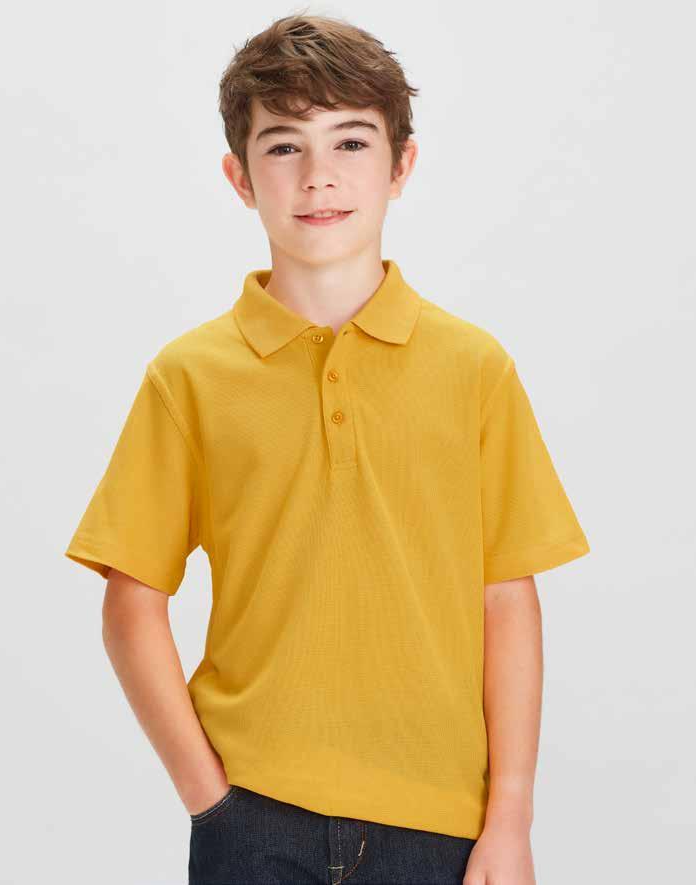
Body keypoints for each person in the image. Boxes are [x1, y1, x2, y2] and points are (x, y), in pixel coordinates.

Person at [64, 13, 590, 885]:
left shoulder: (474, 368)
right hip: (252, 817)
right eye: (283, 146)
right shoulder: (189, 376)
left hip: (441, 827)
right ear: (239, 177)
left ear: (401, 165)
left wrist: (511, 817)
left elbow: (507, 600)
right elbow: (132, 601)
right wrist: (209, 799)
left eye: (350, 141)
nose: (318, 176)